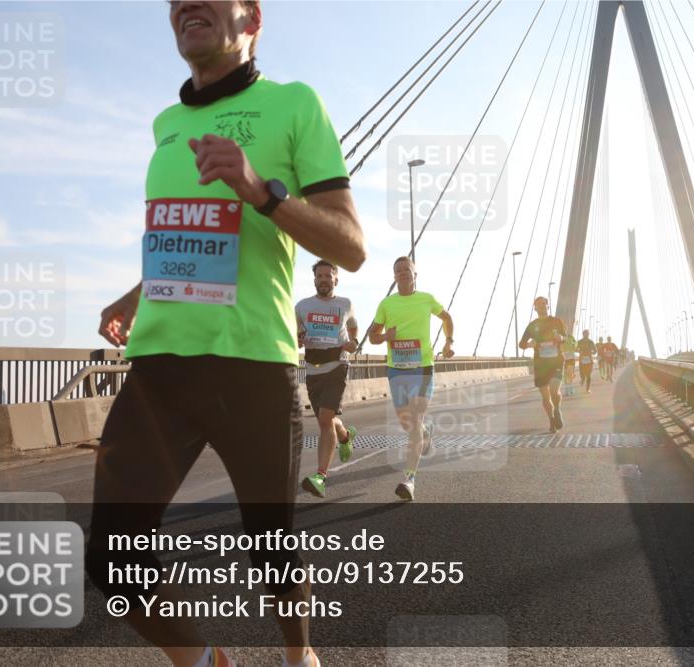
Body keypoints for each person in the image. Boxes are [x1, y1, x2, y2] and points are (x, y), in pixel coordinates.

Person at [89, 3, 365, 666]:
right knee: (108, 551)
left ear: (251, 18)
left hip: (252, 367)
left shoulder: (296, 105)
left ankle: (301, 655)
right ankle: (204, 659)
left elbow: (351, 247)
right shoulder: (166, 124)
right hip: (160, 368)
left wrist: (259, 189)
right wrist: (134, 293)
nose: (186, 3)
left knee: (272, 541)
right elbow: (187, 238)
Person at [367, 256, 454, 501]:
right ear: (394, 277)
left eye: (407, 269)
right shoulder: (386, 304)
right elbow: (372, 335)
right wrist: (386, 337)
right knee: (408, 424)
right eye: (398, 271)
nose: (403, 273)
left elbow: (446, 318)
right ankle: (427, 431)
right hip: (397, 369)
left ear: (415, 274)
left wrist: (448, 343)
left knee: (413, 422)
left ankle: (409, 479)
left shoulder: (426, 299)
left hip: (423, 368)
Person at [296, 260, 359, 499]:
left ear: (336, 279)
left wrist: (353, 342)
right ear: (314, 279)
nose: (324, 279)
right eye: (320, 275)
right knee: (328, 421)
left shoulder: (345, 304)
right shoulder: (302, 306)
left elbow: (353, 328)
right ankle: (345, 436)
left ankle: (320, 477)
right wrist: (298, 339)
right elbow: (296, 333)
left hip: (337, 366)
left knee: (324, 419)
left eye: (328, 275)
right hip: (313, 369)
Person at [519, 296, 567, 432]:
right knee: (545, 395)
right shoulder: (532, 325)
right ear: (535, 308)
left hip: (556, 361)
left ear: (548, 306)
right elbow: (521, 344)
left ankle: (557, 410)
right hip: (540, 364)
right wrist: (529, 344)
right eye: (538, 305)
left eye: (543, 304)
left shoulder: (556, 321)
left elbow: (566, 337)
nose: (541, 306)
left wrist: (561, 338)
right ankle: (551, 420)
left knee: (554, 391)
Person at [575, 329, 597, 393]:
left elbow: (595, 351)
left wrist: (591, 352)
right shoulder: (579, 342)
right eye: (585, 334)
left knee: (588, 375)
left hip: (589, 360)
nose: (586, 335)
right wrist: (579, 351)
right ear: (583, 334)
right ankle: (582, 379)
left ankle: (588, 389)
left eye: (587, 334)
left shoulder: (591, 342)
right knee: (582, 374)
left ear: (588, 334)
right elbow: (575, 349)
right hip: (582, 360)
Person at [562, 331, 578, 396]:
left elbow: (576, 344)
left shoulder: (571, 337)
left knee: (570, 373)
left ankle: (570, 388)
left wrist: (574, 346)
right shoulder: (559, 338)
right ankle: (567, 389)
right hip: (563, 358)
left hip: (571, 358)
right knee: (565, 374)